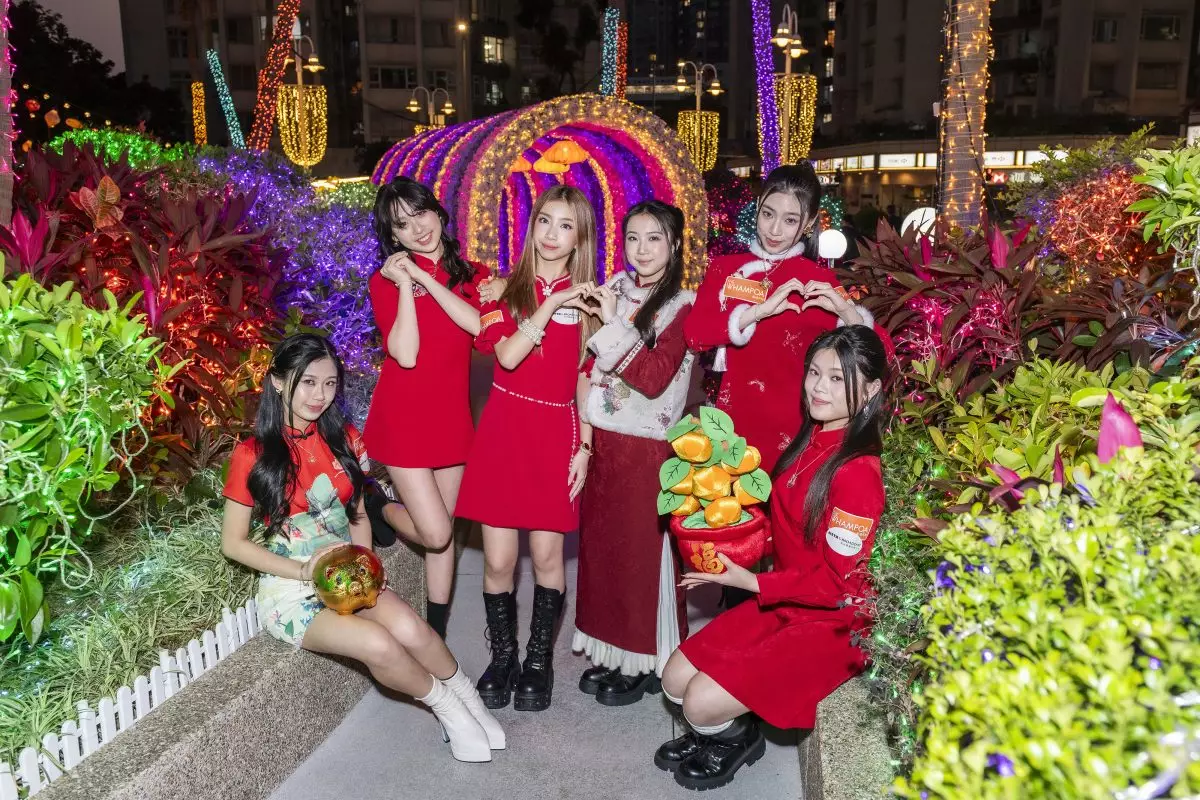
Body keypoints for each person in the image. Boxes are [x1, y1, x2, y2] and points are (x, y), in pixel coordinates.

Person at [220, 334, 505, 762]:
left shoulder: (344, 439)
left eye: (330, 383)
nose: (320, 395)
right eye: (308, 382)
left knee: (411, 628)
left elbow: (357, 516)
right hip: (292, 591)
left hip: (348, 574)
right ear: (278, 381)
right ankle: (448, 710)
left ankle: (468, 698)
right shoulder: (253, 454)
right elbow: (233, 543)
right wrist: (302, 571)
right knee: (379, 644)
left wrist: (367, 562)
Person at [653, 325, 888, 790]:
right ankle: (723, 728)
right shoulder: (811, 439)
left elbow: (838, 585)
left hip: (832, 623)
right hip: (785, 600)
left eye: (837, 378)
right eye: (814, 373)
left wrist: (753, 583)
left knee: (698, 702)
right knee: (673, 679)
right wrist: (730, 548)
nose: (819, 387)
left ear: (871, 390)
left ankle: (734, 739)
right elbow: (786, 532)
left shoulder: (858, 473)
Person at [455, 185, 599, 712]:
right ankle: (503, 657)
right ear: (531, 225)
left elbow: (586, 379)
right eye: (544, 220)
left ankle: (538, 660)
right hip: (504, 431)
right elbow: (509, 357)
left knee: (546, 557)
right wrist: (552, 302)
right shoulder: (499, 291)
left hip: (556, 434)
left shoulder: (591, 304)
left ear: (580, 238)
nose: (552, 234)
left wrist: (585, 446)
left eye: (566, 225)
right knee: (498, 561)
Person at [571, 200, 697, 706]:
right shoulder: (614, 290)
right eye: (633, 238)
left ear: (675, 245)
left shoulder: (682, 306)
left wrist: (610, 322)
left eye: (654, 238)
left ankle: (646, 658)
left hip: (648, 449)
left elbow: (653, 377)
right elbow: (585, 367)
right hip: (604, 443)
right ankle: (611, 649)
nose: (642, 249)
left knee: (641, 559)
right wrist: (583, 441)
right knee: (602, 556)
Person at [683, 163, 883, 474]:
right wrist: (756, 313)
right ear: (757, 207)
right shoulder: (726, 269)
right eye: (768, 214)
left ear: (809, 222)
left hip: (795, 433)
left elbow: (881, 354)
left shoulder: (817, 281)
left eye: (790, 220)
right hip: (732, 426)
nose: (775, 230)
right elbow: (694, 334)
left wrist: (847, 313)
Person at [362, 177, 492, 639]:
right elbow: (406, 353)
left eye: (421, 213)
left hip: (452, 418)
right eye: (402, 224)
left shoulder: (475, 276)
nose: (417, 229)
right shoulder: (385, 281)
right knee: (435, 534)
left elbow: (481, 331)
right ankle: (379, 508)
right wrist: (405, 284)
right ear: (393, 236)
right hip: (403, 419)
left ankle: (436, 631)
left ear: (438, 211)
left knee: (446, 532)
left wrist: (424, 279)